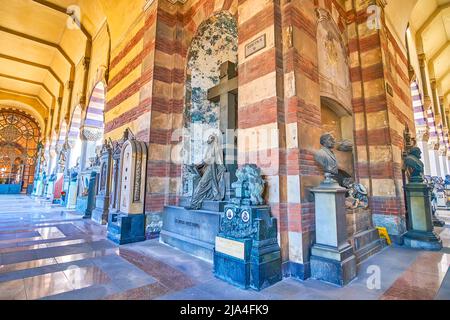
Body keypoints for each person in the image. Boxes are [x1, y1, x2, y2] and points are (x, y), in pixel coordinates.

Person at [185, 134, 226, 210]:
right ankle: (195, 203)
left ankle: (194, 204)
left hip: (213, 169)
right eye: (209, 140)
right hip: (209, 168)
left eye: (210, 139)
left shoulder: (217, 148)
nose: (209, 142)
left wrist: (200, 164)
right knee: (198, 182)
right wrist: (197, 165)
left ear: (214, 140)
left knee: (202, 184)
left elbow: (212, 160)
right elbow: (206, 159)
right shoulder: (211, 148)